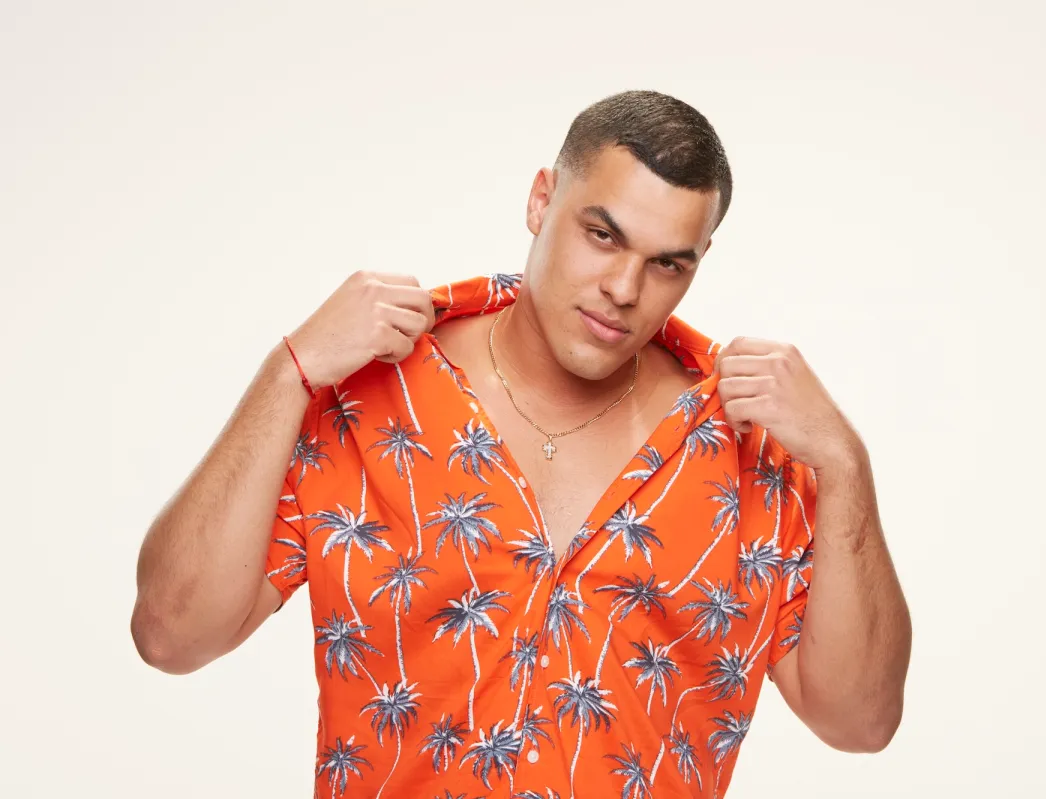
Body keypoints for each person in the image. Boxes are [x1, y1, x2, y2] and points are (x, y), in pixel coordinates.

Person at [131, 89, 911, 798]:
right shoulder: (374, 389)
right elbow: (170, 634)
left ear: (697, 263)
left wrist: (845, 463)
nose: (624, 288)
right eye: (602, 235)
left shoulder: (749, 447)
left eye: (667, 263)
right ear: (541, 199)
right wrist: (288, 373)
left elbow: (860, 721)